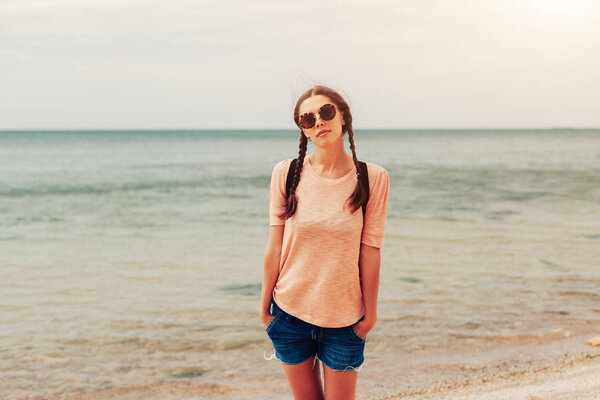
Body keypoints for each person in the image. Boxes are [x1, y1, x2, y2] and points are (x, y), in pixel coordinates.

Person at [260, 85, 390, 399]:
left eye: (326, 112)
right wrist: (265, 307)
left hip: (345, 319)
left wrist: (369, 315)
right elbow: (275, 245)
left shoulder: (372, 178)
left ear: (343, 116)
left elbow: (370, 252)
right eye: (308, 118)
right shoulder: (286, 173)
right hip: (289, 313)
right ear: (303, 130)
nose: (319, 121)